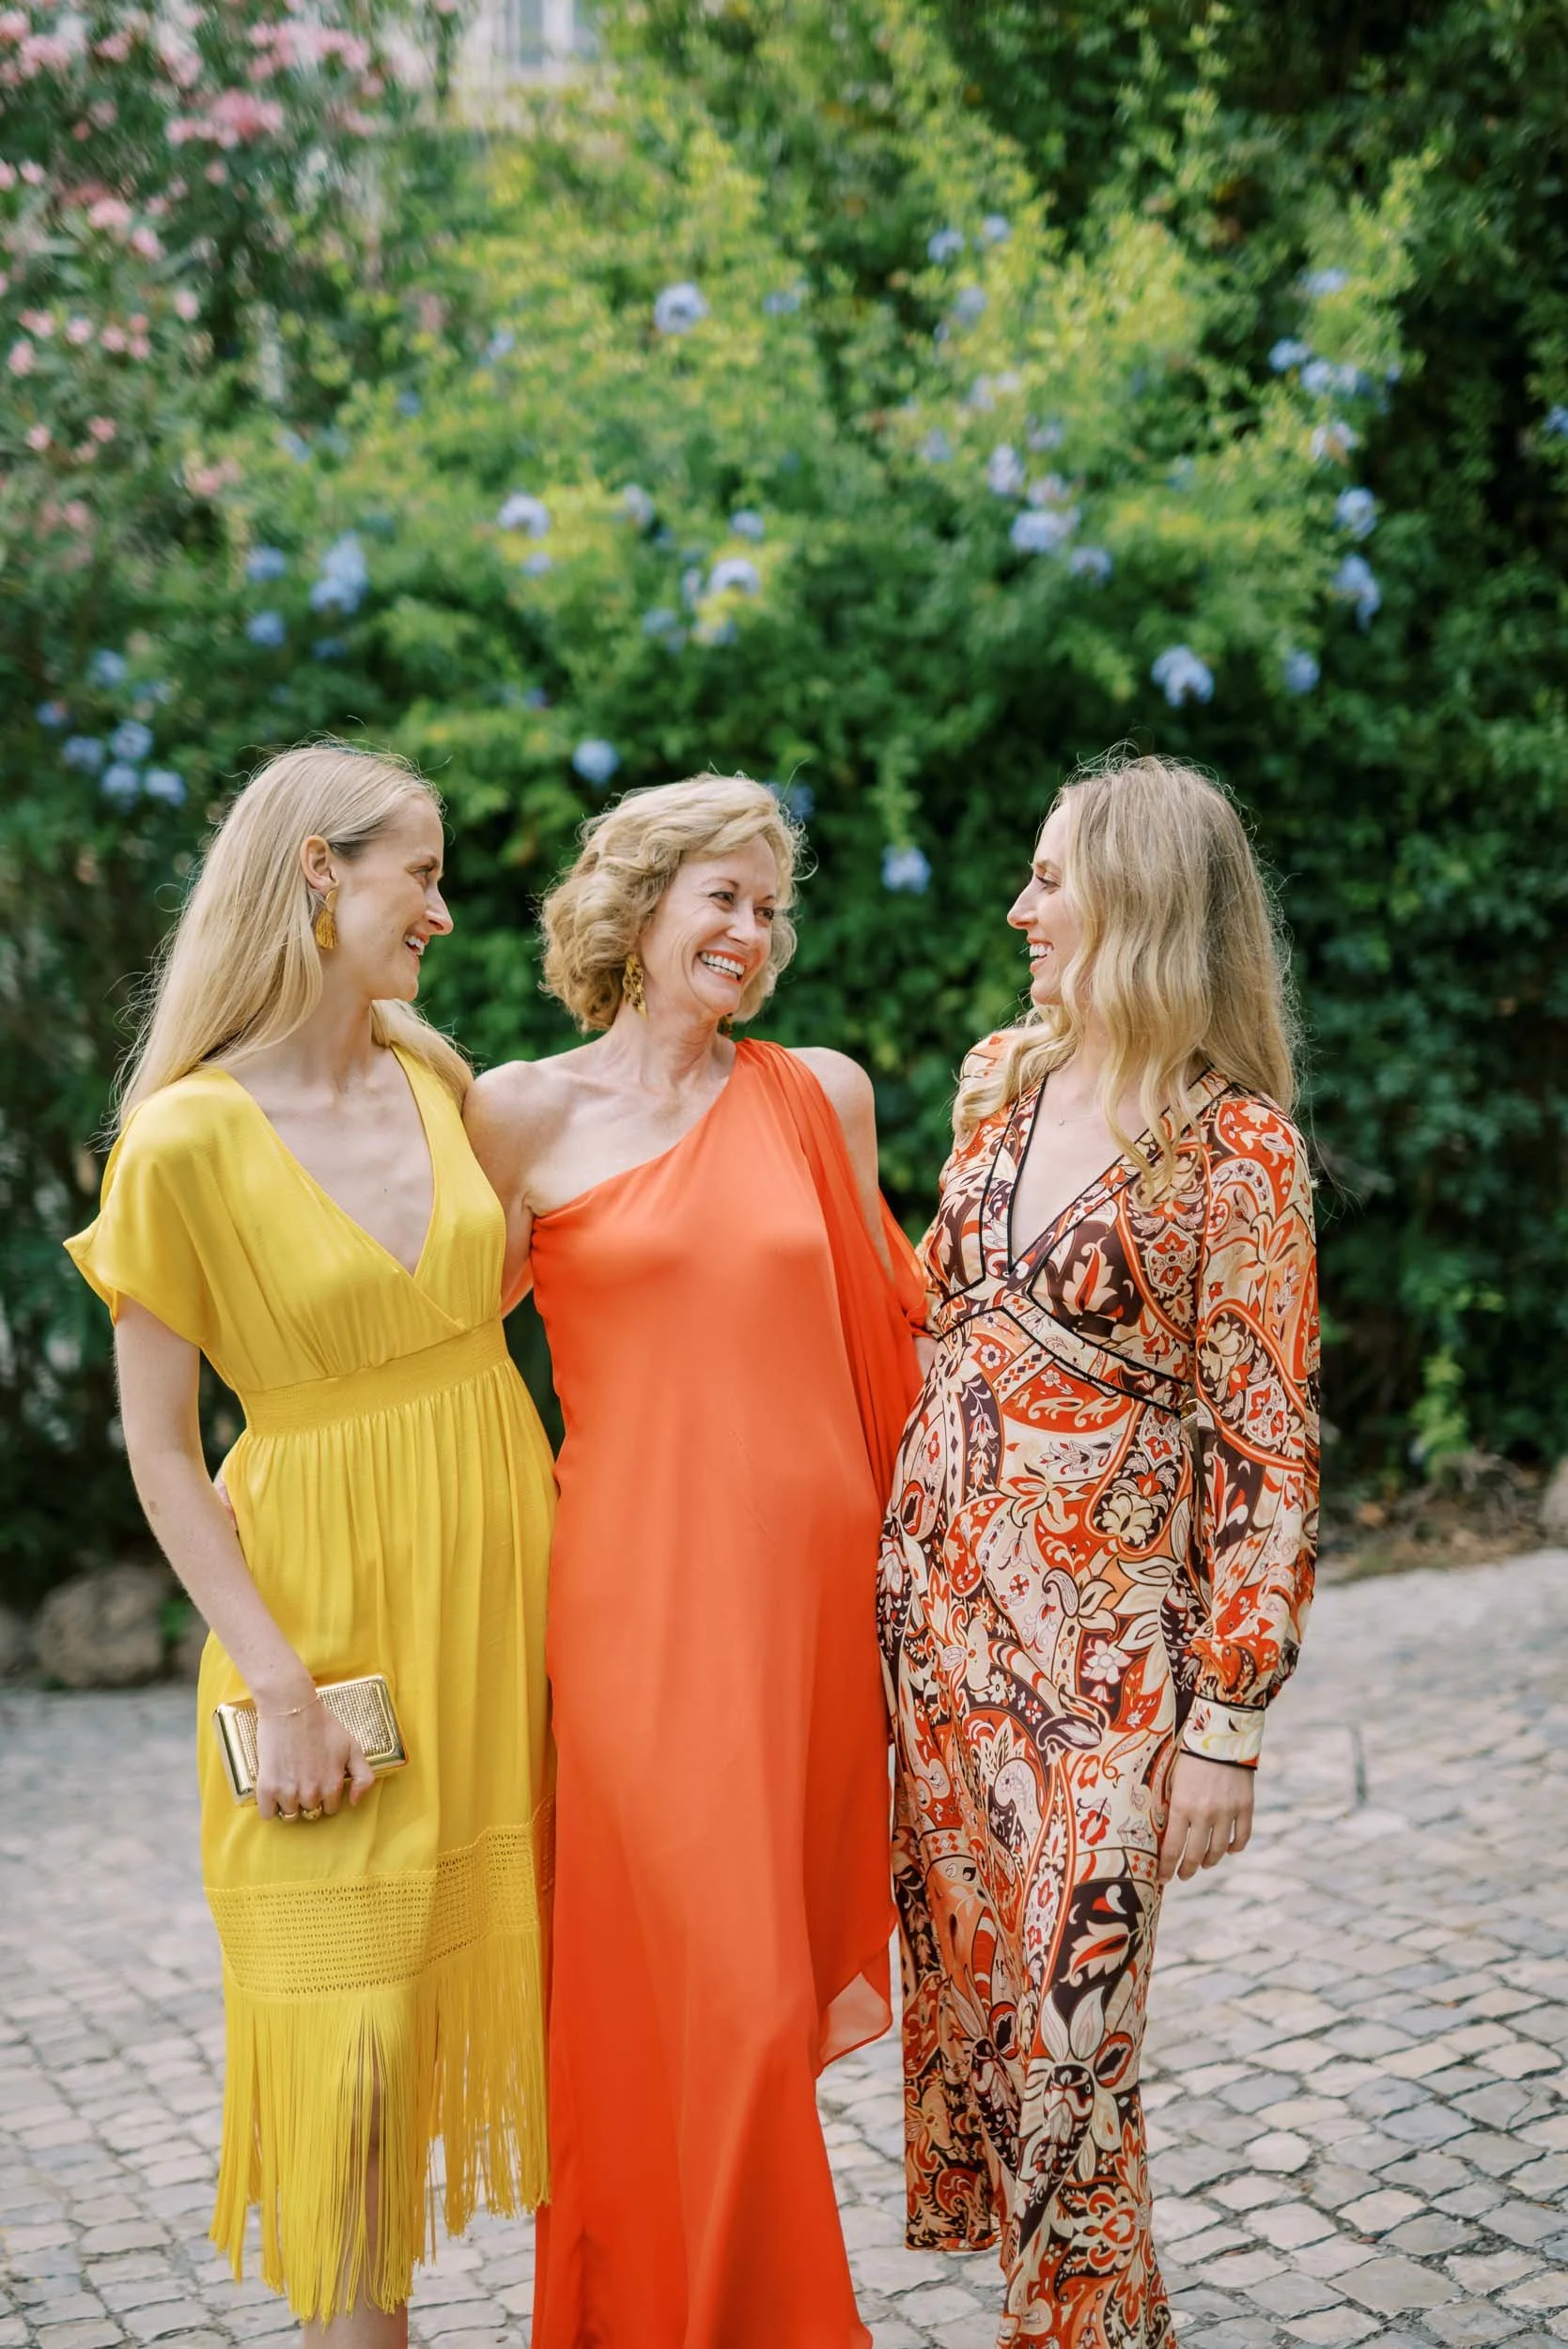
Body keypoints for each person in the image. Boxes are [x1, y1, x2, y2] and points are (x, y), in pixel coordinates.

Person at [65, 745, 555, 2340]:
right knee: (342, 2085)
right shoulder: (183, 1140)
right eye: (418, 870)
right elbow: (158, 1449)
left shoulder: (441, 1080)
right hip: (322, 1633)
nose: (444, 905)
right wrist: (276, 1683)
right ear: (318, 875)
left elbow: (513, 1291)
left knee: (506, 2019)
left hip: (507, 1600)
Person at [464, 773, 924, 2349]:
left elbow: (906, 1344)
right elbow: (438, 1357)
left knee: (752, 1999)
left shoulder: (823, 1094)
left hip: (803, 1614)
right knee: (703, 1999)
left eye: (770, 903)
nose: (752, 928)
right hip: (638, 1610)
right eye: (721, 895)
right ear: (638, 904)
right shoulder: (518, 1113)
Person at [879, 753, 1319, 2349]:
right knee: (1002, 2056)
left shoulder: (1238, 1154)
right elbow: (933, 1333)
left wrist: (1231, 1721)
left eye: (1050, 877)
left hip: (1112, 1674)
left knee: (1075, 2066)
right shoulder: (1003, 1084)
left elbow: (1269, 1454)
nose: (1020, 907)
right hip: (941, 1648)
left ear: (1136, 899)